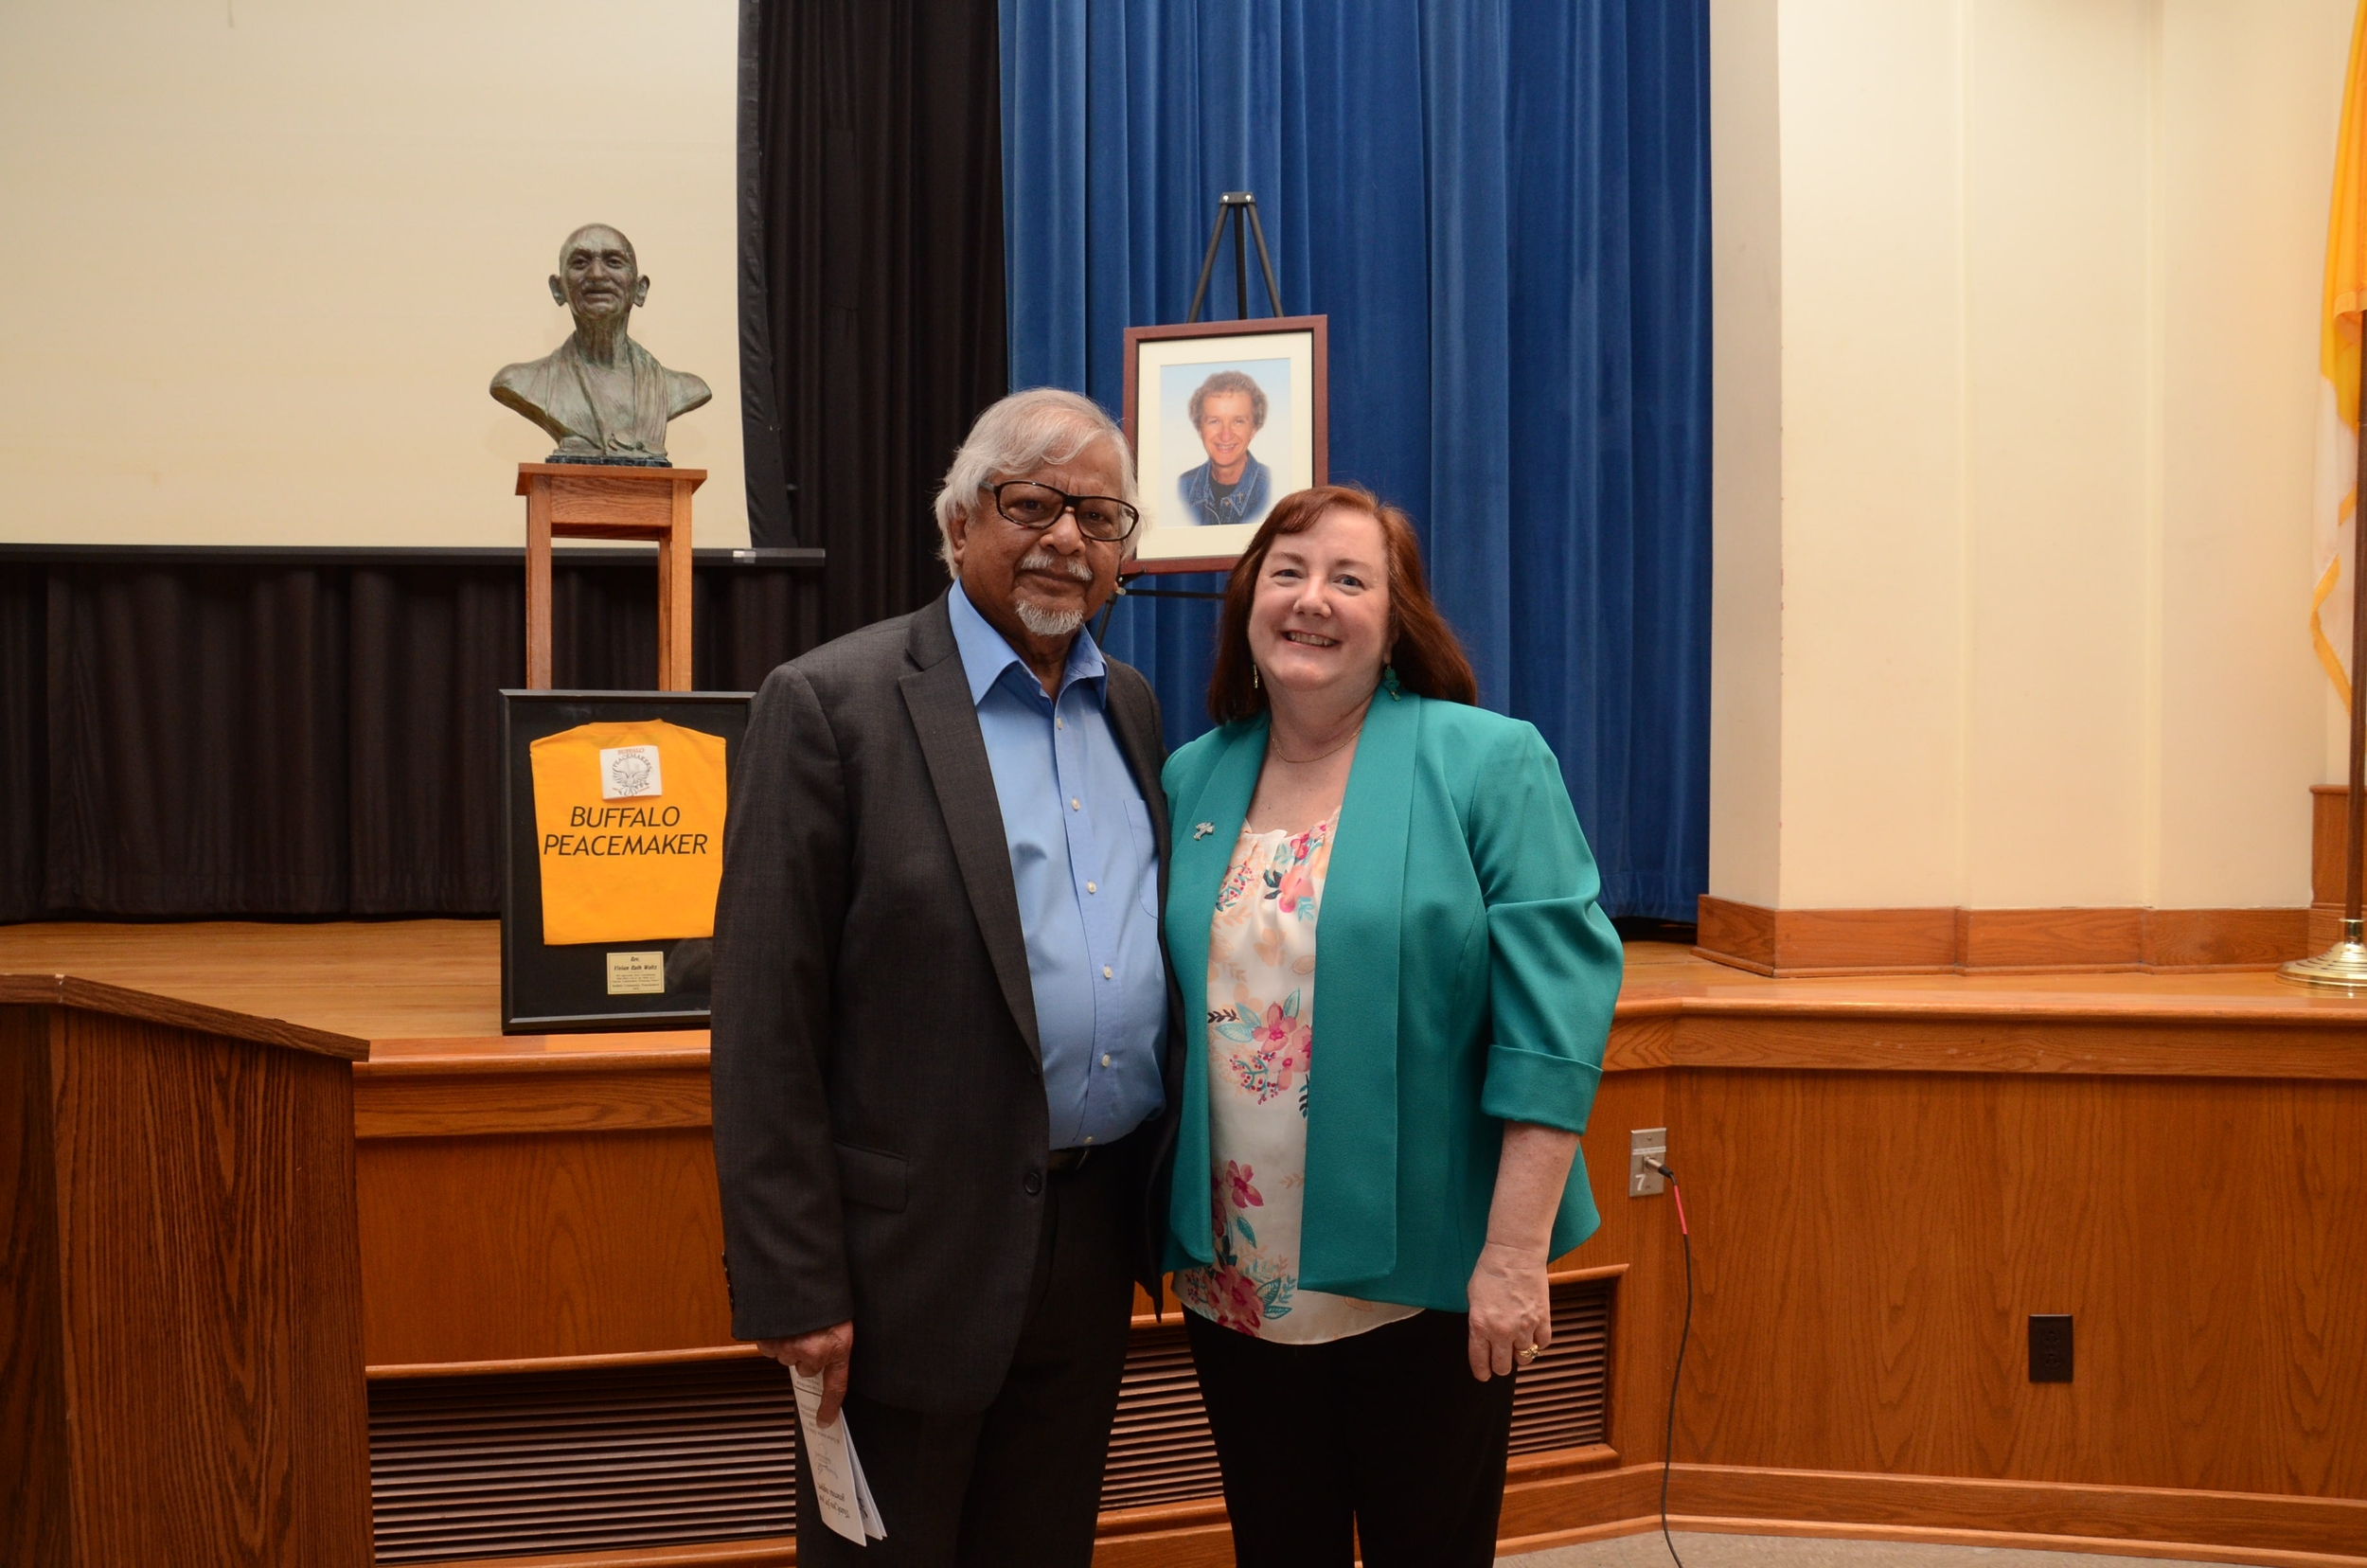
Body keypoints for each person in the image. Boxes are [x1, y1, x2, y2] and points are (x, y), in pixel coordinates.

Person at [709, 388, 1184, 1567]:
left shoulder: (1129, 707)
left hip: (1089, 1238)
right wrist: (795, 1284)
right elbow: (764, 1023)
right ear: (960, 522)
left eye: (1101, 516)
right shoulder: (830, 705)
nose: (1068, 538)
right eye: (1033, 504)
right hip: (900, 1269)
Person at [1160, 484, 1623, 1567]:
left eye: (1348, 579)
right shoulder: (1194, 773)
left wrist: (1513, 1255)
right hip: (1238, 1281)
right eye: (1286, 573)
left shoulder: (1485, 760)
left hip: (1430, 1274)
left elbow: (1557, 1019)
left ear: (1395, 615)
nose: (1311, 601)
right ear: (1247, 600)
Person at [489, 223, 711, 462]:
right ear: (558, 289)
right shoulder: (522, 383)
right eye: (580, 262)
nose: (596, 274)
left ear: (640, 289)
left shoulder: (682, 389)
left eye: (613, 262)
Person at [1176, 369, 1273, 526]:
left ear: (1254, 429)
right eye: (1214, 421)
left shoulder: (1272, 489)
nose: (1225, 435)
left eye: (1238, 421)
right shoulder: (1181, 488)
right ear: (1200, 428)